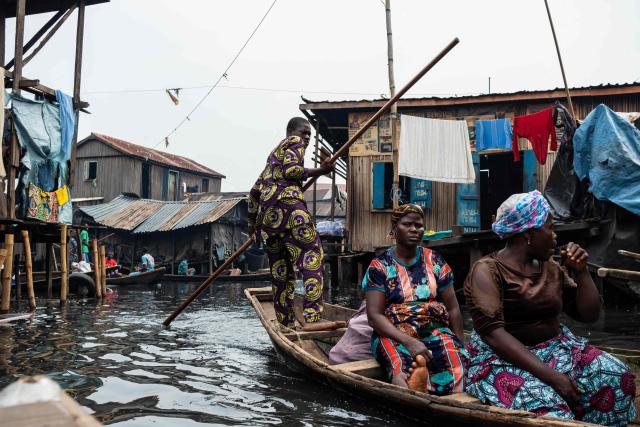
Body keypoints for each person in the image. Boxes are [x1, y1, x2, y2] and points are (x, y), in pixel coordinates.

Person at [464, 191, 636, 425]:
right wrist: (554, 378)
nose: (555, 237)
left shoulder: (551, 268)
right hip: (502, 359)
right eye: (550, 228)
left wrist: (581, 271)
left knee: (617, 375)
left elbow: (589, 315)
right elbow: (493, 334)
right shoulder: (486, 270)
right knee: (551, 412)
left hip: (558, 350)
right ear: (529, 233)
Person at [364, 204, 468, 395]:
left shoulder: (435, 261)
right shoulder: (379, 266)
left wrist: (460, 344)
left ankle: (428, 384)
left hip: (434, 328)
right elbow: (374, 316)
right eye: (407, 224)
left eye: (419, 225)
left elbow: (453, 308)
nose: (414, 229)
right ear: (394, 228)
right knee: (400, 370)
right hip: (394, 332)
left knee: (460, 367)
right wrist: (409, 342)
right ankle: (416, 385)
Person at [248, 117, 335, 331]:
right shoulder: (294, 142)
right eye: (304, 132)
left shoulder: (271, 162)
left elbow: (253, 193)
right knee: (312, 257)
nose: (306, 138)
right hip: (291, 213)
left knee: (281, 273)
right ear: (291, 132)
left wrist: (252, 226)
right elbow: (292, 171)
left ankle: (285, 323)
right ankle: (313, 318)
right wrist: (321, 171)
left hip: (269, 223)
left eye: (309, 135)